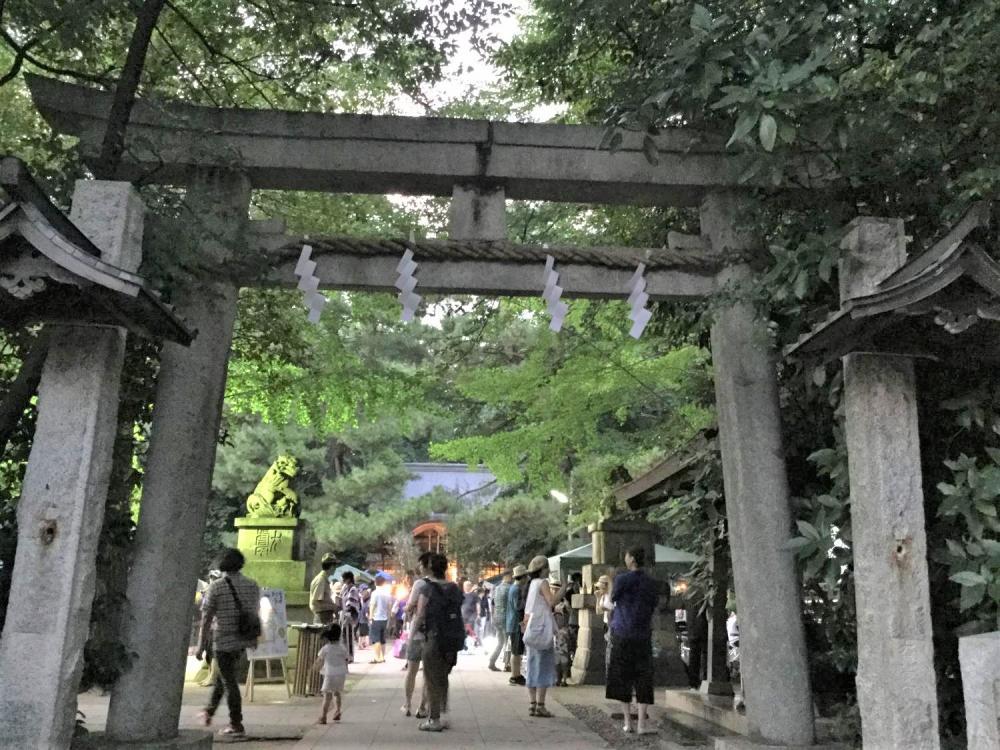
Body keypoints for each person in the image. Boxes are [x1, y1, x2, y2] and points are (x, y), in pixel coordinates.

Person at [195, 548, 261, 738]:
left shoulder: (216, 587)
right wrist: (254, 638)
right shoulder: (252, 585)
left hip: (223, 640)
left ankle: (236, 723)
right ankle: (208, 712)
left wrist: (201, 645)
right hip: (243, 640)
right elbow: (254, 613)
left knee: (229, 682)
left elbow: (206, 618)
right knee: (225, 678)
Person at [606, 546, 659, 735]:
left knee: (623, 677)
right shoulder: (652, 583)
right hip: (643, 634)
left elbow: (612, 598)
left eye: (627, 556)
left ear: (632, 559)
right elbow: (653, 605)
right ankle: (642, 724)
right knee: (643, 678)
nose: (625, 558)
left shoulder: (622, 579)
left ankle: (628, 722)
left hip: (623, 632)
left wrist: (612, 581)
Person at [411, 553, 462, 732]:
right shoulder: (454, 588)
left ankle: (434, 719)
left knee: (431, 679)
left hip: (433, 638)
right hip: (451, 639)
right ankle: (440, 712)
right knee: (442, 677)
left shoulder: (428, 588)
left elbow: (421, 614)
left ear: (430, 567)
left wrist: (411, 635)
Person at [522, 555, 558, 717]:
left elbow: (528, 609)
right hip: (542, 630)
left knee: (531, 665)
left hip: (531, 628)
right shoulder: (543, 583)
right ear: (543, 569)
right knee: (543, 666)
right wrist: (563, 588)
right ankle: (541, 705)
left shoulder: (531, 584)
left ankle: (532, 703)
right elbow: (551, 601)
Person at [402, 553, 433, 717]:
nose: (419, 568)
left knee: (411, 670)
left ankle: (407, 704)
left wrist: (408, 609)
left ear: (426, 565)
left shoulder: (420, 584)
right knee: (428, 674)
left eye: (421, 565)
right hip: (433, 635)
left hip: (418, 633)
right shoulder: (442, 584)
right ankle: (422, 706)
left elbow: (410, 607)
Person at [313, 623, 348, 723]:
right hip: (341, 673)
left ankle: (323, 717)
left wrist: (315, 668)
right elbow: (346, 659)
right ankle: (337, 711)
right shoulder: (342, 648)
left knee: (327, 696)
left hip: (330, 673)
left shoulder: (325, 648)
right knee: (337, 693)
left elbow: (319, 660)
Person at [506, 565, 528, 685]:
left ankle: (516, 674)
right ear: (523, 577)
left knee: (516, 651)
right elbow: (519, 606)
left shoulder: (513, 588)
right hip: (516, 625)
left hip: (512, 624)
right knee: (517, 651)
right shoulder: (517, 590)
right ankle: (515, 675)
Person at [488, 569, 513, 672]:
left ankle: (492, 661)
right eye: (511, 576)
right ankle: (507, 665)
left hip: (497, 617)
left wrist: (493, 616)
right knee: (508, 642)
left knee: (500, 642)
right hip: (506, 618)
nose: (512, 578)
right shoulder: (509, 588)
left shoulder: (496, 588)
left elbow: (493, 604)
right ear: (507, 576)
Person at [369, 574, 394, 663]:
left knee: (376, 639)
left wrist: (370, 617)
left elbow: (372, 605)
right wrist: (389, 616)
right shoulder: (387, 593)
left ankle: (377, 657)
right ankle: (383, 656)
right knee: (383, 639)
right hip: (385, 618)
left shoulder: (375, 593)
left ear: (376, 583)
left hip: (376, 618)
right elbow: (389, 606)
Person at [339, 571, 362, 663]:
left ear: (348, 579)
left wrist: (348, 614)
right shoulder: (345, 588)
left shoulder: (353, 589)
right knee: (344, 636)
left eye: (343, 578)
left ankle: (349, 656)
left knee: (348, 636)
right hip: (344, 615)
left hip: (349, 616)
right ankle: (346, 654)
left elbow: (352, 604)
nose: (342, 580)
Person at [561, 572, 582, 665]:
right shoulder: (569, 593)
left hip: (576, 622)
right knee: (573, 644)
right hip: (574, 621)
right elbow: (568, 608)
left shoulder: (580, 591)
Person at [309, 554, 338, 624]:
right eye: (335, 566)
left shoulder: (323, 579)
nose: (336, 568)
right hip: (322, 617)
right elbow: (316, 601)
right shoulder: (321, 580)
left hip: (325, 616)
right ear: (331, 566)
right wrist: (333, 606)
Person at [554, 609, 572, 687]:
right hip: (556, 652)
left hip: (564, 651)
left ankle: (564, 680)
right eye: (556, 619)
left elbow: (570, 641)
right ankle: (558, 679)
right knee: (557, 667)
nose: (559, 621)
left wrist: (571, 650)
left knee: (564, 666)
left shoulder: (566, 630)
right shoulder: (553, 631)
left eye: (560, 619)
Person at [460, 580, 479, 647]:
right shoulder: (462, 595)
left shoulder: (474, 595)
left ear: (470, 586)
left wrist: (478, 614)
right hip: (463, 616)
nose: (465, 587)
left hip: (472, 615)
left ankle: (474, 642)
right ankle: (465, 645)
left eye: (467, 585)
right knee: (464, 631)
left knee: (470, 629)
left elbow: (477, 604)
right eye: (464, 586)